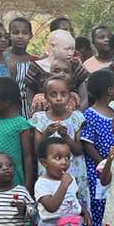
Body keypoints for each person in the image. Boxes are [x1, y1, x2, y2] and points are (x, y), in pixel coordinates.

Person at [29, 77, 90, 210]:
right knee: (52, 200)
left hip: (73, 170)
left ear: (70, 96)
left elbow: (79, 150)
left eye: (63, 94)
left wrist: (66, 137)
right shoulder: (39, 119)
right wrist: (46, 134)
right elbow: (37, 151)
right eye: (53, 94)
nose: (58, 98)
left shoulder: (77, 117)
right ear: (45, 97)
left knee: (73, 202)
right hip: (49, 172)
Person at [0, 78, 35, 196]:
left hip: (12, 175)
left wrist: (28, 183)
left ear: (7, 102)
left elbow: (27, 155)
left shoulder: (21, 124)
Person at [81, 70, 114, 226]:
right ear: (110, 91)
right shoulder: (91, 114)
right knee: (98, 206)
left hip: (113, 169)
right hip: (97, 171)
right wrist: (103, 164)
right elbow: (87, 144)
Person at [25, 29, 89, 110]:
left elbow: (84, 99)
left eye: (73, 49)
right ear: (52, 46)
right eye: (67, 49)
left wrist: (76, 116)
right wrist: (41, 116)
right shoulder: (36, 67)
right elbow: (29, 97)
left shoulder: (75, 66)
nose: (70, 53)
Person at [7, 17, 37, 118]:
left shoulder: (34, 61)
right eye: (16, 32)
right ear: (9, 35)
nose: (20, 36)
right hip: (5, 109)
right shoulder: (1, 58)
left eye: (24, 33)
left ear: (30, 35)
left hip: (28, 110)